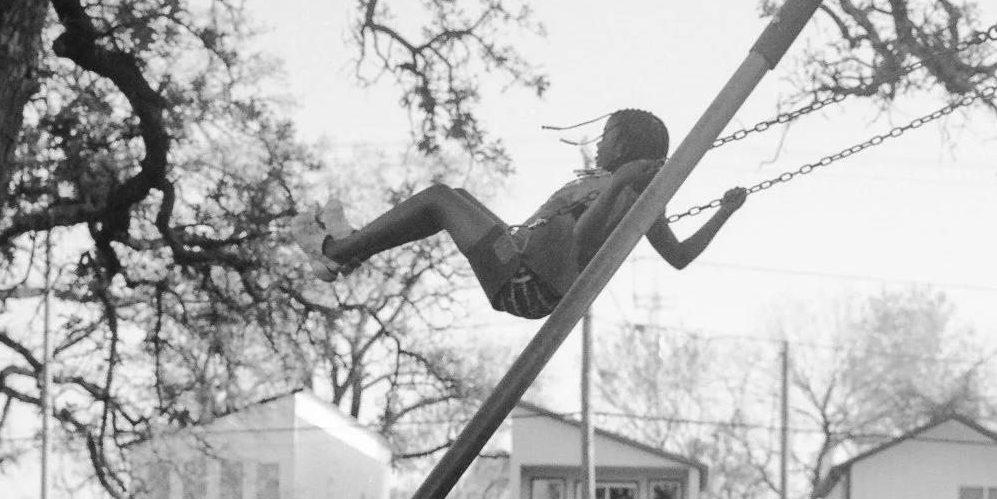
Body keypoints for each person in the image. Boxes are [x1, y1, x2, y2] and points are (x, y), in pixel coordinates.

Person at [294, 109, 748, 320]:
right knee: (455, 197)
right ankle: (349, 252)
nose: (601, 141)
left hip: (526, 284)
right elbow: (680, 255)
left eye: (608, 134)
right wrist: (724, 211)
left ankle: (338, 250)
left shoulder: (629, 196)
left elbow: (588, 240)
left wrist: (723, 214)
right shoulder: (631, 194)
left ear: (626, 146)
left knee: (439, 199)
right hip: (520, 263)